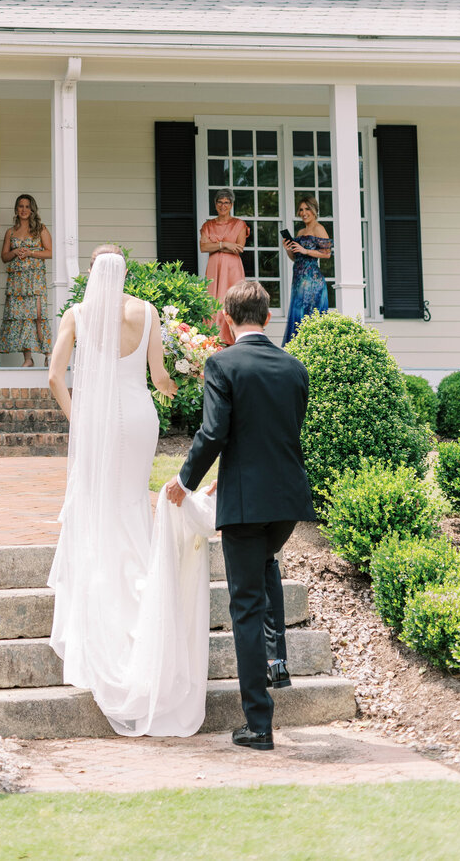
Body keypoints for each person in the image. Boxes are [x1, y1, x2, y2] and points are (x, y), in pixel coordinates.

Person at [47, 246, 214, 736]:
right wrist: (181, 380)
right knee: (130, 501)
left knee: (100, 505)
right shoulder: (148, 312)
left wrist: (80, 419)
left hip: (98, 420)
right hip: (140, 418)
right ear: (125, 274)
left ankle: (106, 589)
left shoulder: (76, 315)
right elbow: (159, 376)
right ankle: (145, 582)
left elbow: (56, 375)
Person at [167, 278, 316, 751]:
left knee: (245, 606)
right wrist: (224, 477)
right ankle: (277, 661)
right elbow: (274, 432)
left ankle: (259, 724)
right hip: (286, 503)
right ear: (268, 318)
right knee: (265, 565)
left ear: (226, 320)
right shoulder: (294, 368)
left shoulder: (222, 363)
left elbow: (215, 433)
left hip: (247, 506)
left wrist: (185, 482)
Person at [0, 195, 53, 366]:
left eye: (27, 206)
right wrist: (15, 252)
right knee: (21, 318)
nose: (24, 209)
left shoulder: (40, 229)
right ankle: (28, 359)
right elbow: (4, 257)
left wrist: (30, 253)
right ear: (16, 209)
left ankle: (48, 354)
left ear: (32, 209)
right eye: (20, 206)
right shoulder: (10, 232)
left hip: (34, 280)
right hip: (17, 282)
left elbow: (50, 252)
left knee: (38, 316)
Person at [199, 190, 249, 347]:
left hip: (232, 268)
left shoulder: (239, 224)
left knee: (232, 299)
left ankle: (233, 339)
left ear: (231, 205)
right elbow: (203, 247)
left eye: (226, 202)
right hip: (214, 267)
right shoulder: (208, 225)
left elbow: (239, 248)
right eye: (220, 202)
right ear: (215, 204)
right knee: (214, 300)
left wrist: (215, 246)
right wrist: (225, 244)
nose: (223, 205)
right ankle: (214, 338)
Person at [283, 196, 332, 345]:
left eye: (307, 209)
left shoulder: (319, 228)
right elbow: (296, 258)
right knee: (297, 315)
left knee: (308, 317)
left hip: (312, 281)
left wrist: (306, 251)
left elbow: (327, 253)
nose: (303, 213)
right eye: (301, 210)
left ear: (314, 210)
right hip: (298, 281)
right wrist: (288, 249)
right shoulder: (300, 231)